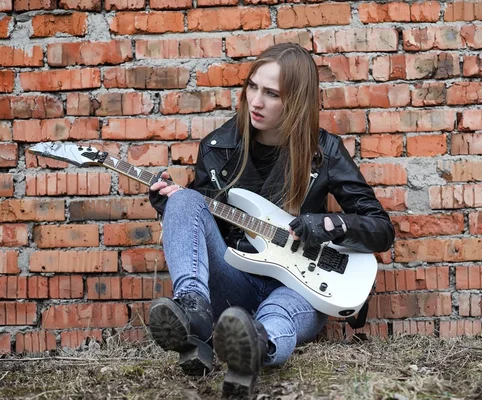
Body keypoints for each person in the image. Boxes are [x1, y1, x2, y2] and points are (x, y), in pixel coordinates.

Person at [148, 43, 395, 398]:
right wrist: (170, 208)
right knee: (185, 199)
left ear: (295, 101)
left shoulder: (323, 152)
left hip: (300, 288)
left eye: (271, 93)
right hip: (235, 279)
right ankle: (193, 314)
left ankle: (252, 350)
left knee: (279, 313)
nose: (256, 102)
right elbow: (204, 231)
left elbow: (381, 229)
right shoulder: (218, 148)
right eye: (252, 87)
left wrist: (329, 225)